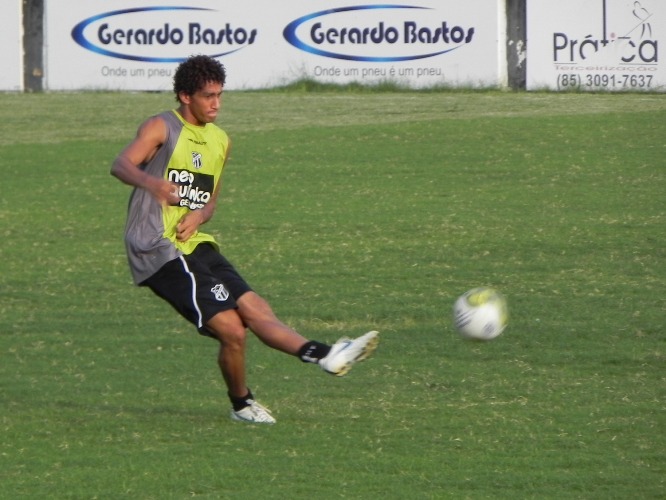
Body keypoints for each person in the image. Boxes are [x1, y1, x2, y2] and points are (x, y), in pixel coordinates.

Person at [110, 55, 378, 425]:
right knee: (233, 330)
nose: (216, 104)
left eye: (220, 95)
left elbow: (210, 200)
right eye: (208, 96)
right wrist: (151, 182)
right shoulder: (161, 127)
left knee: (256, 308)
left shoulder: (220, 141)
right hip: (157, 247)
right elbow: (121, 164)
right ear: (185, 96)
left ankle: (326, 354)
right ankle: (242, 404)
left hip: (196, 242)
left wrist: (200, 214)